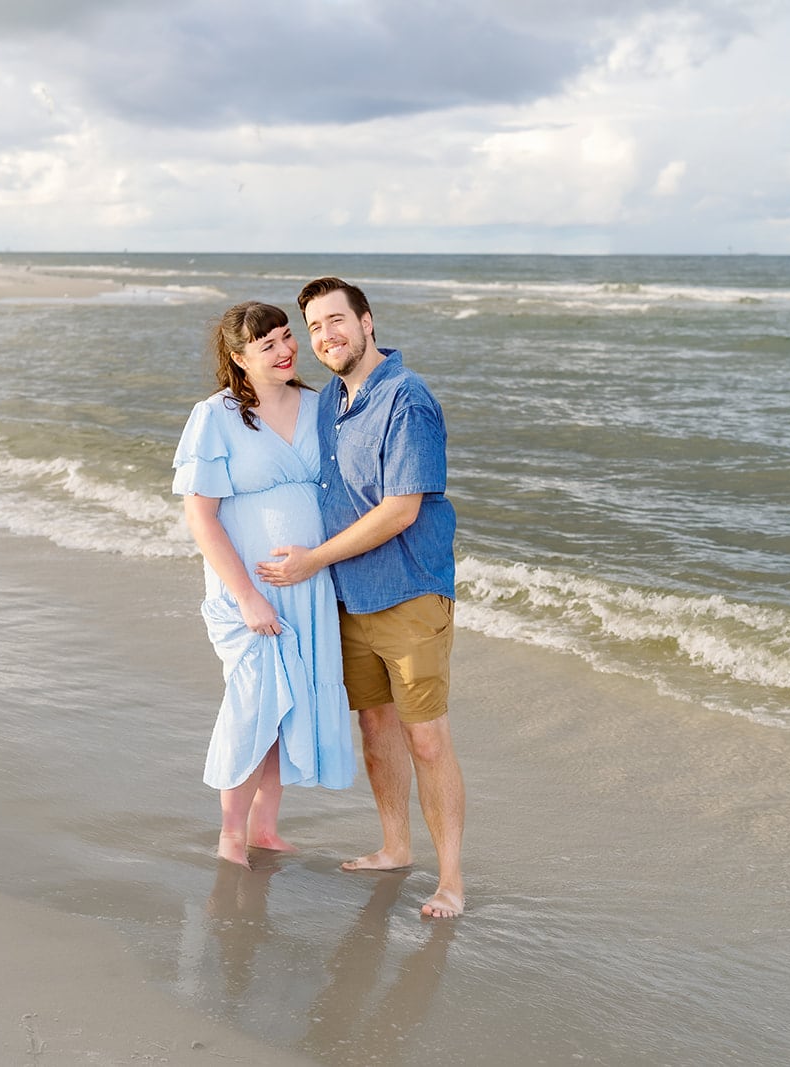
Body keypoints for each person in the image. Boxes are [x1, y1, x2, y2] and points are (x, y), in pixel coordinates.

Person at [256, 277, 466, 918]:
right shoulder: (328, 405)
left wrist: (313, 560)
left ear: (368, 322)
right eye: (314, 327)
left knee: (426, 738)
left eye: (336, 321)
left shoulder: (407, 399)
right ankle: (395, 847)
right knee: (375, 728)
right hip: (349, 597)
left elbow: (402, 510)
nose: (326, 336)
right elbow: (263, 397)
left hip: (408, 593)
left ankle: (452, 880)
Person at [173, 301, 355, 868]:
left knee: (290, 703)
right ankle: (231, 834)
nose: (285, 350)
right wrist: (248, 597)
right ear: (238, 357)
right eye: (267, 345)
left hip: (308, 583)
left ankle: (266, 828)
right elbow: (200, 516)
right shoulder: (216, 415)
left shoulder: (321, 406)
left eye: (285, 337)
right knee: (255, 702)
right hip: (247, 588)